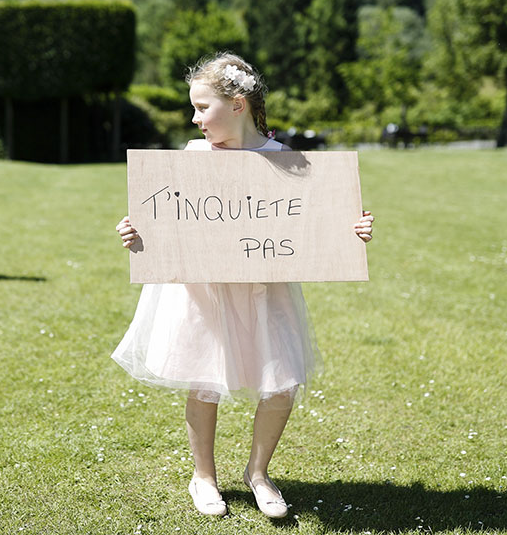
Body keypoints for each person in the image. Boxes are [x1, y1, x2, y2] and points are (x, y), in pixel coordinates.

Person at [112, 53, 374, 519]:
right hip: (204, 293)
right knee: (205, 379)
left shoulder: (284, 162)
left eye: (202, 107)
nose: (195, 119)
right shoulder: (193, 158)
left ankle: (259, 473)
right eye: (193, 109)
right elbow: (165, 218)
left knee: (280, 383)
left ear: (238, 104)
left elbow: (316, 222)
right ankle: (204, 476)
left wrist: (350, 232)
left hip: (264, 291)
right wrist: (137, 234)